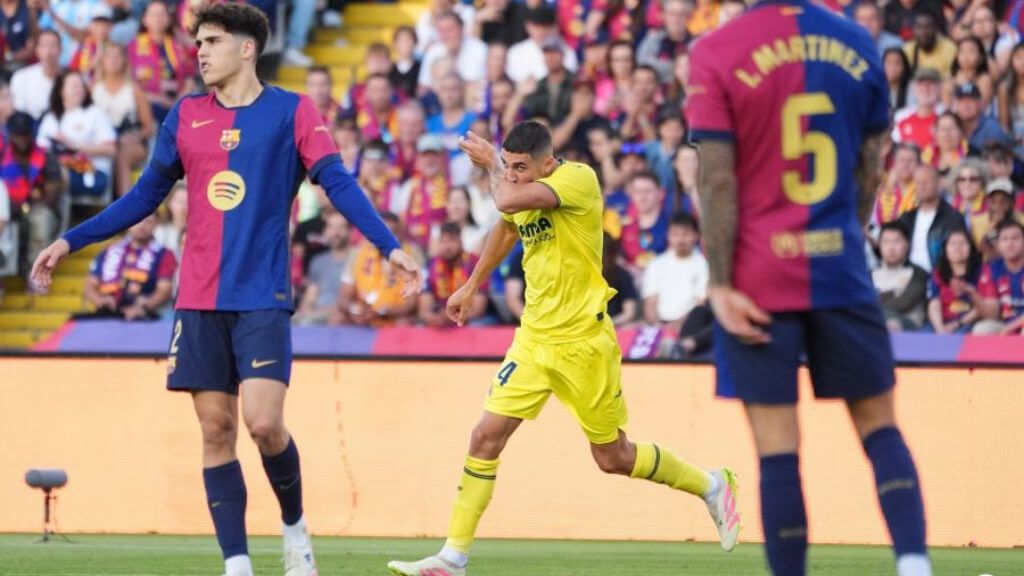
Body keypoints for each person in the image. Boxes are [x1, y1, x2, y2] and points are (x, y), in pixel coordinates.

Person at [30, 4, 421, 576]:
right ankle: (237, 565)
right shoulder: (186, 115)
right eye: (197, 42)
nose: (200, 51)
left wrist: (390, 246)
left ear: (247, 48)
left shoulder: (292, 111)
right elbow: (143, 197)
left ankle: (294, 531)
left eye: (211, 40)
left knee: (263, 424)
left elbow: (336, 180)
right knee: (216, 430)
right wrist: (70, 240)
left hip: (261, 294)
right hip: (197, 298)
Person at [387, 121, 739, 576]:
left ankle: (711, 484)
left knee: (613, 457)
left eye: (520, 167)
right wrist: (472, 285)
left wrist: (493, 164)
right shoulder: (518, 190)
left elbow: (506, 200)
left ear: (547, 164)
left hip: (583, 344)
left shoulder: (577, 179)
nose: (512, 175)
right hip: (533, 340)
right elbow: (507, 227)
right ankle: (453, 558)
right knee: (484, 436)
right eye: (508, 166)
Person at [686, 0, 930, 574]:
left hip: (756, 281)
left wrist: (718, 282)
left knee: (778, 448)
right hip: (841, 270)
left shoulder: (716, 50)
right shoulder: (859, 42)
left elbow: (716, 179)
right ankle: (915, 563)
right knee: (880, 427)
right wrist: (850, 231)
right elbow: (872, 166)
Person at [79, 214, 177, 321]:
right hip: (106, 315)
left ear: (156, 224)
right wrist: (101, 300)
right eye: (137, 220)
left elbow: (164, 290)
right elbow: (89, 286)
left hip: (144, 319)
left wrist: (144, 307)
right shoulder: (109, 250)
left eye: (148, 221)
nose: (142, 225)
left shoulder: (164, 254)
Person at [641, 211, 708, 333]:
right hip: (658, 327)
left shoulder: (703, 265)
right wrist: (658, 326)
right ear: (668, 236)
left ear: (696, 236)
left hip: (692, 327)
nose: (680, 239)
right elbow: (650, 301)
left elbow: (701, 303)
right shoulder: (656, 264)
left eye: (686, 234)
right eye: (675, 234)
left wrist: (677, 326)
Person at [897, 164, 966, 272]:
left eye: (926, 182)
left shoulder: (952, 217)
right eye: (918, 183)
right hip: (908, 277)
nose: (922, 186)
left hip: (940, 279)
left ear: (938, 184)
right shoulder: (906, 217)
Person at [419, 221, 486, 326]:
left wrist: (451, 317)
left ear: (461, 242)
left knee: (477, 324)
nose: (447, 247)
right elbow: (423, 310)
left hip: (467, 318)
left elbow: (478, 309)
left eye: (452, 241)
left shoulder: (475, 263)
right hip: (440, 319)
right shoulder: (431, 265)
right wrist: (433, 318)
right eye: (443, 241)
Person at [294, 212, 351, 326]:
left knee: (307, 323)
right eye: (331, 227)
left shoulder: (357, 258)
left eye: (341, 227)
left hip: (341, 316)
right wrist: (305, 309)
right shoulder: (318, 261)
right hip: (315, 314)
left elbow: (349, 300)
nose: (336, 233)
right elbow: (310, 295)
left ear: (349, 231)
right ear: (325, 231)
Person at [873, 222, 929, 331]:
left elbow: (903, 303)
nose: (891, 248)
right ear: (879, 245)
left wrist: (876, 300)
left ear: (907, 244)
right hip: (874, 321)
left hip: (908, 325)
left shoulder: (918, 273)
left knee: (890, 324)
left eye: (897, 241)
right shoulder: (870, 274)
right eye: (886, 242)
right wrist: (892, 293)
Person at [926, 228, 984, 333]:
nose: (957, 248)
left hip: (968, 322)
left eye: (962, 243)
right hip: (940, 322)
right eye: (952, 244)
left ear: (971, 248)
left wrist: (958, 324)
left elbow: (982, 306)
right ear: (945, 249)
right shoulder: (937, 273)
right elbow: (934, 303)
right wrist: (940, 328)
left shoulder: (981, 272)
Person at [976, 220, 1024, 334]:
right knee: (981, 330)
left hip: (1018, 325)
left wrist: (1011, 327)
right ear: (998, 245)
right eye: (1005, 239)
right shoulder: (991, 269)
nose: (1010, 243)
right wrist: (973, 295)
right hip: (1003, 322)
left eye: (1015, 238)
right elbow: (992, 312)